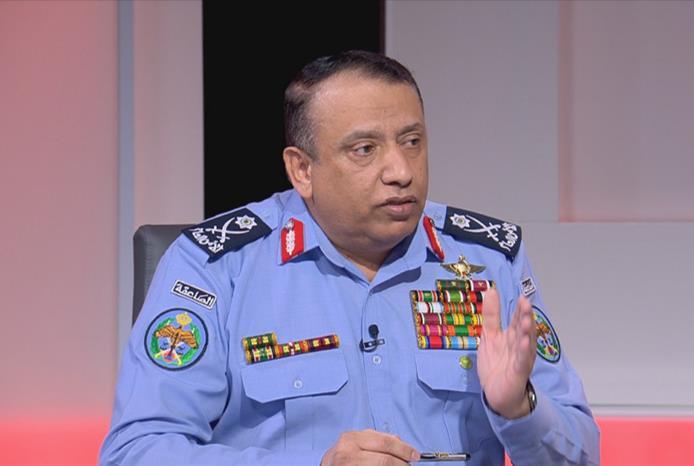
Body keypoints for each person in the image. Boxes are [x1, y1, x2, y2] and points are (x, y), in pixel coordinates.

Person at [100, 50, 600, 465]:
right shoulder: (216, 266)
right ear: (302, 170)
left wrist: (519, 408)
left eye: (412, 142)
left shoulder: (488, 259)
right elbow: (136, 452)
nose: (401, 170)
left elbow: (581, 454)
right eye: (365, 149)